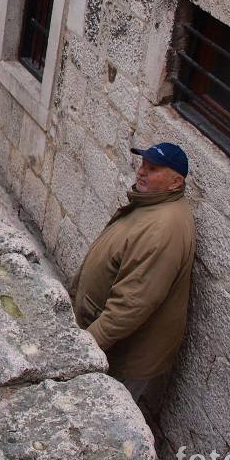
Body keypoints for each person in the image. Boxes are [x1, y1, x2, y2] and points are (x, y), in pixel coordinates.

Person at [70, 142, 196, 406]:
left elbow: (132, 304)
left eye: (153, 169)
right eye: (143, 165)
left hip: (125, 357)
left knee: (103, 414)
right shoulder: (152, 206)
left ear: (176, 182)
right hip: (109, 342)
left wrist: (87, 346)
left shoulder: (163, 229)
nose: (142, 172)